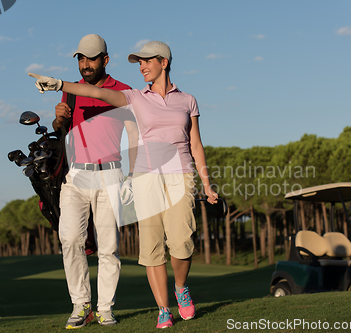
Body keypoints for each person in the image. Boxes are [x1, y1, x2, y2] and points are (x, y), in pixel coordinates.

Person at [29, 40, 217, 329]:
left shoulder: (169, 98)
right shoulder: (125, 95)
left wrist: (205, 182)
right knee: (123, 244)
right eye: (138, 62)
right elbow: (85, 100)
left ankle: (154, 295)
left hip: (150, 173)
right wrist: (58, 88)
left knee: (165, 243)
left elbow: (187, 142)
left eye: (146, 61)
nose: (141, 66)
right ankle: (137, 308)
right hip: (111, 175)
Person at [50, 34, 138, 329]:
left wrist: (133, 175)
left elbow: (135, 135)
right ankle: (81, 304)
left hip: (110, 174)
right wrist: (58, 118)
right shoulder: (71, 93)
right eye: (81, 59)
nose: (85, 65)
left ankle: (104, 308)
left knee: (108, 247)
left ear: (106, 60)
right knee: (69, 240)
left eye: (91, 58)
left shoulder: (123, 91)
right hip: (74, 175)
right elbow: (60, 130)